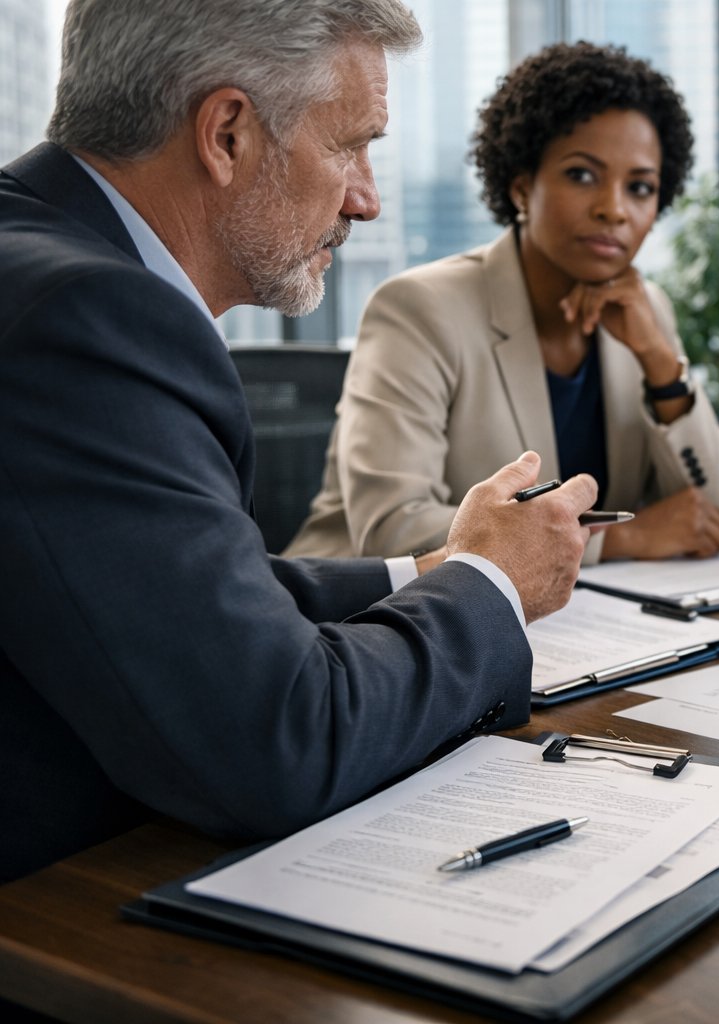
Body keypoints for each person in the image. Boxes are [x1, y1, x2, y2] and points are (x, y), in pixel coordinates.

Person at [0, 0, 598, 883]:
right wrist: (493, 582)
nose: (366, 196)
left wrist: (427, 574)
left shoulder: (38, 259)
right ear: (228, 134)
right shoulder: (90, 320)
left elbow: (163, 588)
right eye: (351, 144)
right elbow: (278, 741)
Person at [286, 42, 719, 564]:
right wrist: (616, 539)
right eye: (582, 175)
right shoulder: (419, 309)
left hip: (569, 620)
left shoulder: (647, 312)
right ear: (522, 187)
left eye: (640, 188)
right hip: (357, 622)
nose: (614, 210)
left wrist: (662, 366)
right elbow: (393, 528)